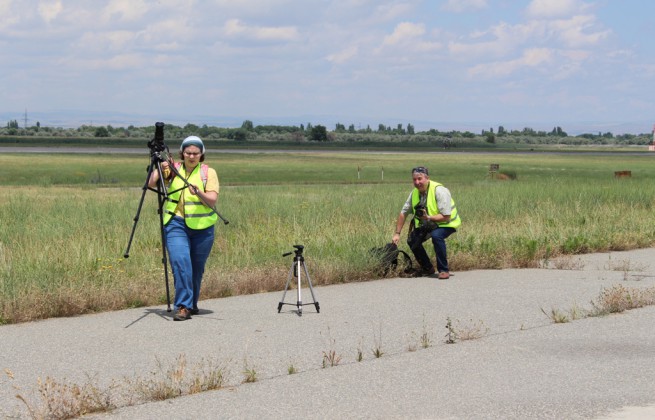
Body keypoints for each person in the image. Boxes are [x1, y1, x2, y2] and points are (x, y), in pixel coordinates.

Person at [148, 135, 219, 321]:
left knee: (196, 268)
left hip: (203, 227)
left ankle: (191, 303)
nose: (192, 156)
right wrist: (160, 165)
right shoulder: (174, 169)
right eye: (188, 152)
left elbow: (212, 200)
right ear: (182, 153)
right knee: (181, 264)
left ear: (201, 154)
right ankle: (183, 306)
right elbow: (151, 183)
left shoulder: (207, 173)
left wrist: (199, 193)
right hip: (175, 223)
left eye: (196, 153)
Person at [392, 166, 461, 279]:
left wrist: (428, 217)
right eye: (414, 179)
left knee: (436, 236)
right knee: (412, 240)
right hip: (429, 223)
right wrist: (397, 233)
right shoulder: (414, 193)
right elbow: (403, 213)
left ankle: (443, 270)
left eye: (420, 179)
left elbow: (446, 216)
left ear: (427, 178)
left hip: (447, 223)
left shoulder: (440, 190)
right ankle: (427, 268)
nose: (417, 182)